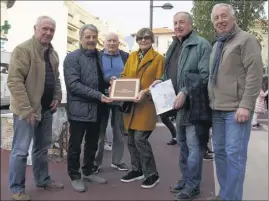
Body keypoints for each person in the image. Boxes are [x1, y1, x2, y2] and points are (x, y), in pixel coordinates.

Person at [151, 12, 212, 200]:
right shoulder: (174, 46)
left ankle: (193, 186)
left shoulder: (201, 44)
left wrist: (184, 92)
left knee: (194, 147)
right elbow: (169, 74)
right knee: (183, 146)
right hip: (178, 108)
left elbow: (205, 75)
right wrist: (159, 81)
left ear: (190, 24)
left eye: (182, 22)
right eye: (175, 22)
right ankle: (186, 180)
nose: (178, 26)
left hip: (195, 106)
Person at [207, 3, 263, 201]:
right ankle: (226, 195)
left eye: (224, 16)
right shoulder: (217, 44)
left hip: (236, 110)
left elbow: (254, 75)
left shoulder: (246, 40)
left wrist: (246, 105)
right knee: (220, 154)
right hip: (217, 109)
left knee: (235, 157)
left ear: (233, 18)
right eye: (216, 18)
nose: (220, 21)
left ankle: (232, 198)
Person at [7, 16, 63, 201]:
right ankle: (17, 189)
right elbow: (14, 82)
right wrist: (26, 109)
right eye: (44, 28)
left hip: (46, 109)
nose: (48, 32)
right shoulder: (23, 50)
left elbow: (56, 79)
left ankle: (43, 180)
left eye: (52, 30)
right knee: (21, 151)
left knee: (41, 149)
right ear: (35, 28)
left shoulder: (53, 54)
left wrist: (57, 96)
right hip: (27, 111)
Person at [63, 24, 112, 192]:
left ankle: (88, 171)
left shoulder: (98, 55)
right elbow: (74, 85)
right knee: (75, 145)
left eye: (94, 37)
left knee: (92, 143)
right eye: (88, 37)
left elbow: (97, 78)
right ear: (81, 38)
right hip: (79, 110)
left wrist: (109, 81)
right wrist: (98, 95)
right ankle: (75, 176)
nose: (91, 40)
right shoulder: (72, 58)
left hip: (98, 109)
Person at [119, 28, 164, 189]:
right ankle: (137, 170)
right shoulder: (131, 56)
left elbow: (160, 82)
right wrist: (119, 85)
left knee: (140, 139)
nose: (143, 40)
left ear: (152, 40)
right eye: (140, 38)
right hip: (131, 105)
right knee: (131, 140)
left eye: (146, 38)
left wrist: (146, 92)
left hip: (147, 106)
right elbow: (124, 76)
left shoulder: (158, 58)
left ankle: (152, 173)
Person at [93, 32, 129, 173]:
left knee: (119, 132)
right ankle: (96, 163)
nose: (112, 43)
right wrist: (108, 79)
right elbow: (94, 75)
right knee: (99, 133)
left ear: (118, 43)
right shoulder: (97, 56)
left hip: (120, 98)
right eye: (109, 41)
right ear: (104, 43)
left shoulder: (126, 56)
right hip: (102, 97)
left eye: (115, 41)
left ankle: (118, 161)